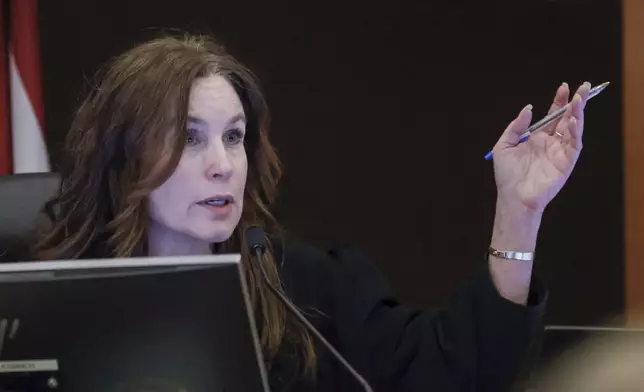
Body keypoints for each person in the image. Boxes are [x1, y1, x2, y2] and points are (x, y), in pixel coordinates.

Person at [33, 34, 590, 391]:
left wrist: (519, 210)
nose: (223, 165)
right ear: (125, 157)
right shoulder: (50, 303)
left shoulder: (301, 288)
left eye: (234, 137)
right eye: (190, 139)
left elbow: (451, 371)